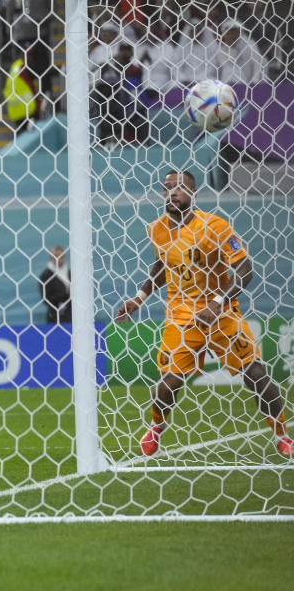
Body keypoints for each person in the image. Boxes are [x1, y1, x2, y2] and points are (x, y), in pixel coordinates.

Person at [116, 170, 294, 457]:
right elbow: (163, 265)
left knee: (256, 374)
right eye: (167, 188)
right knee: (167, 385)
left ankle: (282, 434)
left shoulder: (216, 227)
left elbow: (245, 269)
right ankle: (156, 427)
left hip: (222, 314)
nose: (172, 192)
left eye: (179, 188)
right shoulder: (157, 230)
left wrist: (218, 302)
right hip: (181, 316)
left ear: (194, 194)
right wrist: (140, 297)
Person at [39, 246, 71, 324]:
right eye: (56, 256)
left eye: (62, 256)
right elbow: (46, 299)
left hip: (72, 316)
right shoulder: (46, 276)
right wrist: (65, 292)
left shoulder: (69, 272)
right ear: (51, 258)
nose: (59, 259)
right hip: (55, 318)